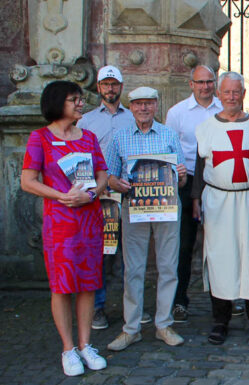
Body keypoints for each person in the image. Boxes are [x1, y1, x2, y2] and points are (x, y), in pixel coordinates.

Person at [21, 80, 109, 376]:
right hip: (60, 222)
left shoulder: (89, 137)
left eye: (80, 99)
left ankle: (86, 344)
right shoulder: (40, 138)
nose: (81, 104)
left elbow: (103, 174)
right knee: (62, 285)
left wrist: (92, 194)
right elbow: (28, 180)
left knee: (87, 282)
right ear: (59, 103)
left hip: (89, 220)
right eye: (75, 99)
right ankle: (68, 348)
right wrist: (61, 195)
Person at [105, 86, 188, 351]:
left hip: (166, 208)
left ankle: (163, 324)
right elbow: (109, 176)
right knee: (134, 269)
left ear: (156, 106)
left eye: (148, 103)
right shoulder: (119, 137)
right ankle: (131, 329)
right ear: (131, 107)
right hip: (134, 209)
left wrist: (182, 174)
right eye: (138, 104)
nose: (143, 108)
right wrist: (117, 184)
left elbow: (181, 178)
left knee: (168, 266)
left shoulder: (168, 134)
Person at [192, 72, 249, 344]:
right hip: (217, 201)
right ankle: (220, 319)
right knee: (219, 259)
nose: (231, 97)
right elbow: (199, 168)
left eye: (236, 92)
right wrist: (195, 201)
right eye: (226, 92)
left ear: (243, 94)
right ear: (219, 94)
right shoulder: (205, 129)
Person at [77, 65, 136, 330]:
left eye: (114, 84)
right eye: (105, 84)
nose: (110, 89)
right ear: (98, 87)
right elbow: (81, 159)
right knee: (102, 253)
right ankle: (98, 308)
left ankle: (130, 309)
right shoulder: (87, 121)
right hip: (101, 197)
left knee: (130, 253)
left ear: (121, 86)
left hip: (131, 192)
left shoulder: (132, 117)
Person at [165, 64, 223, 322]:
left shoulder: (224, 110)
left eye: (209, 82)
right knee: (185, 245)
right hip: (186, 181)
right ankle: (179, 299)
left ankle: (225, 298)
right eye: (200, 82)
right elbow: (170, 148)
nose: (205, 87)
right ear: (191, 84)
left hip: (217, 181)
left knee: (220, 243)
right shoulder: (177, 113)